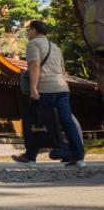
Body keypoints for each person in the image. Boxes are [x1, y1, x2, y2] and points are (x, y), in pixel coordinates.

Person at [12, 20, 86, 167]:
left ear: (34, 30)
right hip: (62, 88)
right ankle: (78, 157)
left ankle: (30, 157)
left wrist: (33, 87)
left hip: (45, 89)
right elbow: (63, 71)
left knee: (34, 120)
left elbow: (34, 65)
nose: (27, 34)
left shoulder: (34, 44)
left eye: (28, 31)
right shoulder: (56, 47)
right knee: (67, 122)